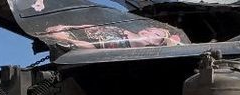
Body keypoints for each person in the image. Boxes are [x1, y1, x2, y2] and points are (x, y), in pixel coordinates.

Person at [43, 24, 187, 50]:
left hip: (70, 39)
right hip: (69, 34)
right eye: (153, 29)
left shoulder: (123, 45)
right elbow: (93, 26)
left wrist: (64, 38)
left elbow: (91, 47)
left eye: (157, 35)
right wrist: (66, 26)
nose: (150, 31)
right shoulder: (121, 30)